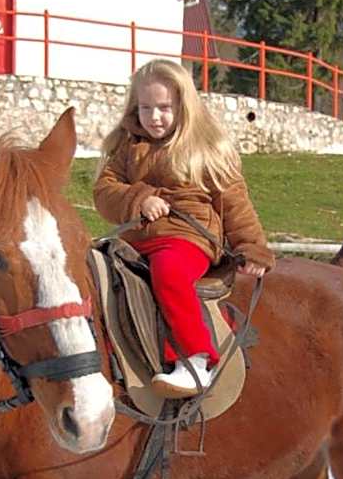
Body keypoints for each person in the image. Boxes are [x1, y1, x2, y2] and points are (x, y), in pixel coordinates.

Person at [93, 58, 275, 398]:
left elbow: (234, 203)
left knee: (170, 272)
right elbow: (104, 191)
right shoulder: (127, 147)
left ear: (184, 106)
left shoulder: (205, 148)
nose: (154, 117)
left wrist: (252, 248)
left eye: (164, 108)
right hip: (136, 238)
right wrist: (139, 199)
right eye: (145, 108)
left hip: (186, 237)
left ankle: (195, 359)